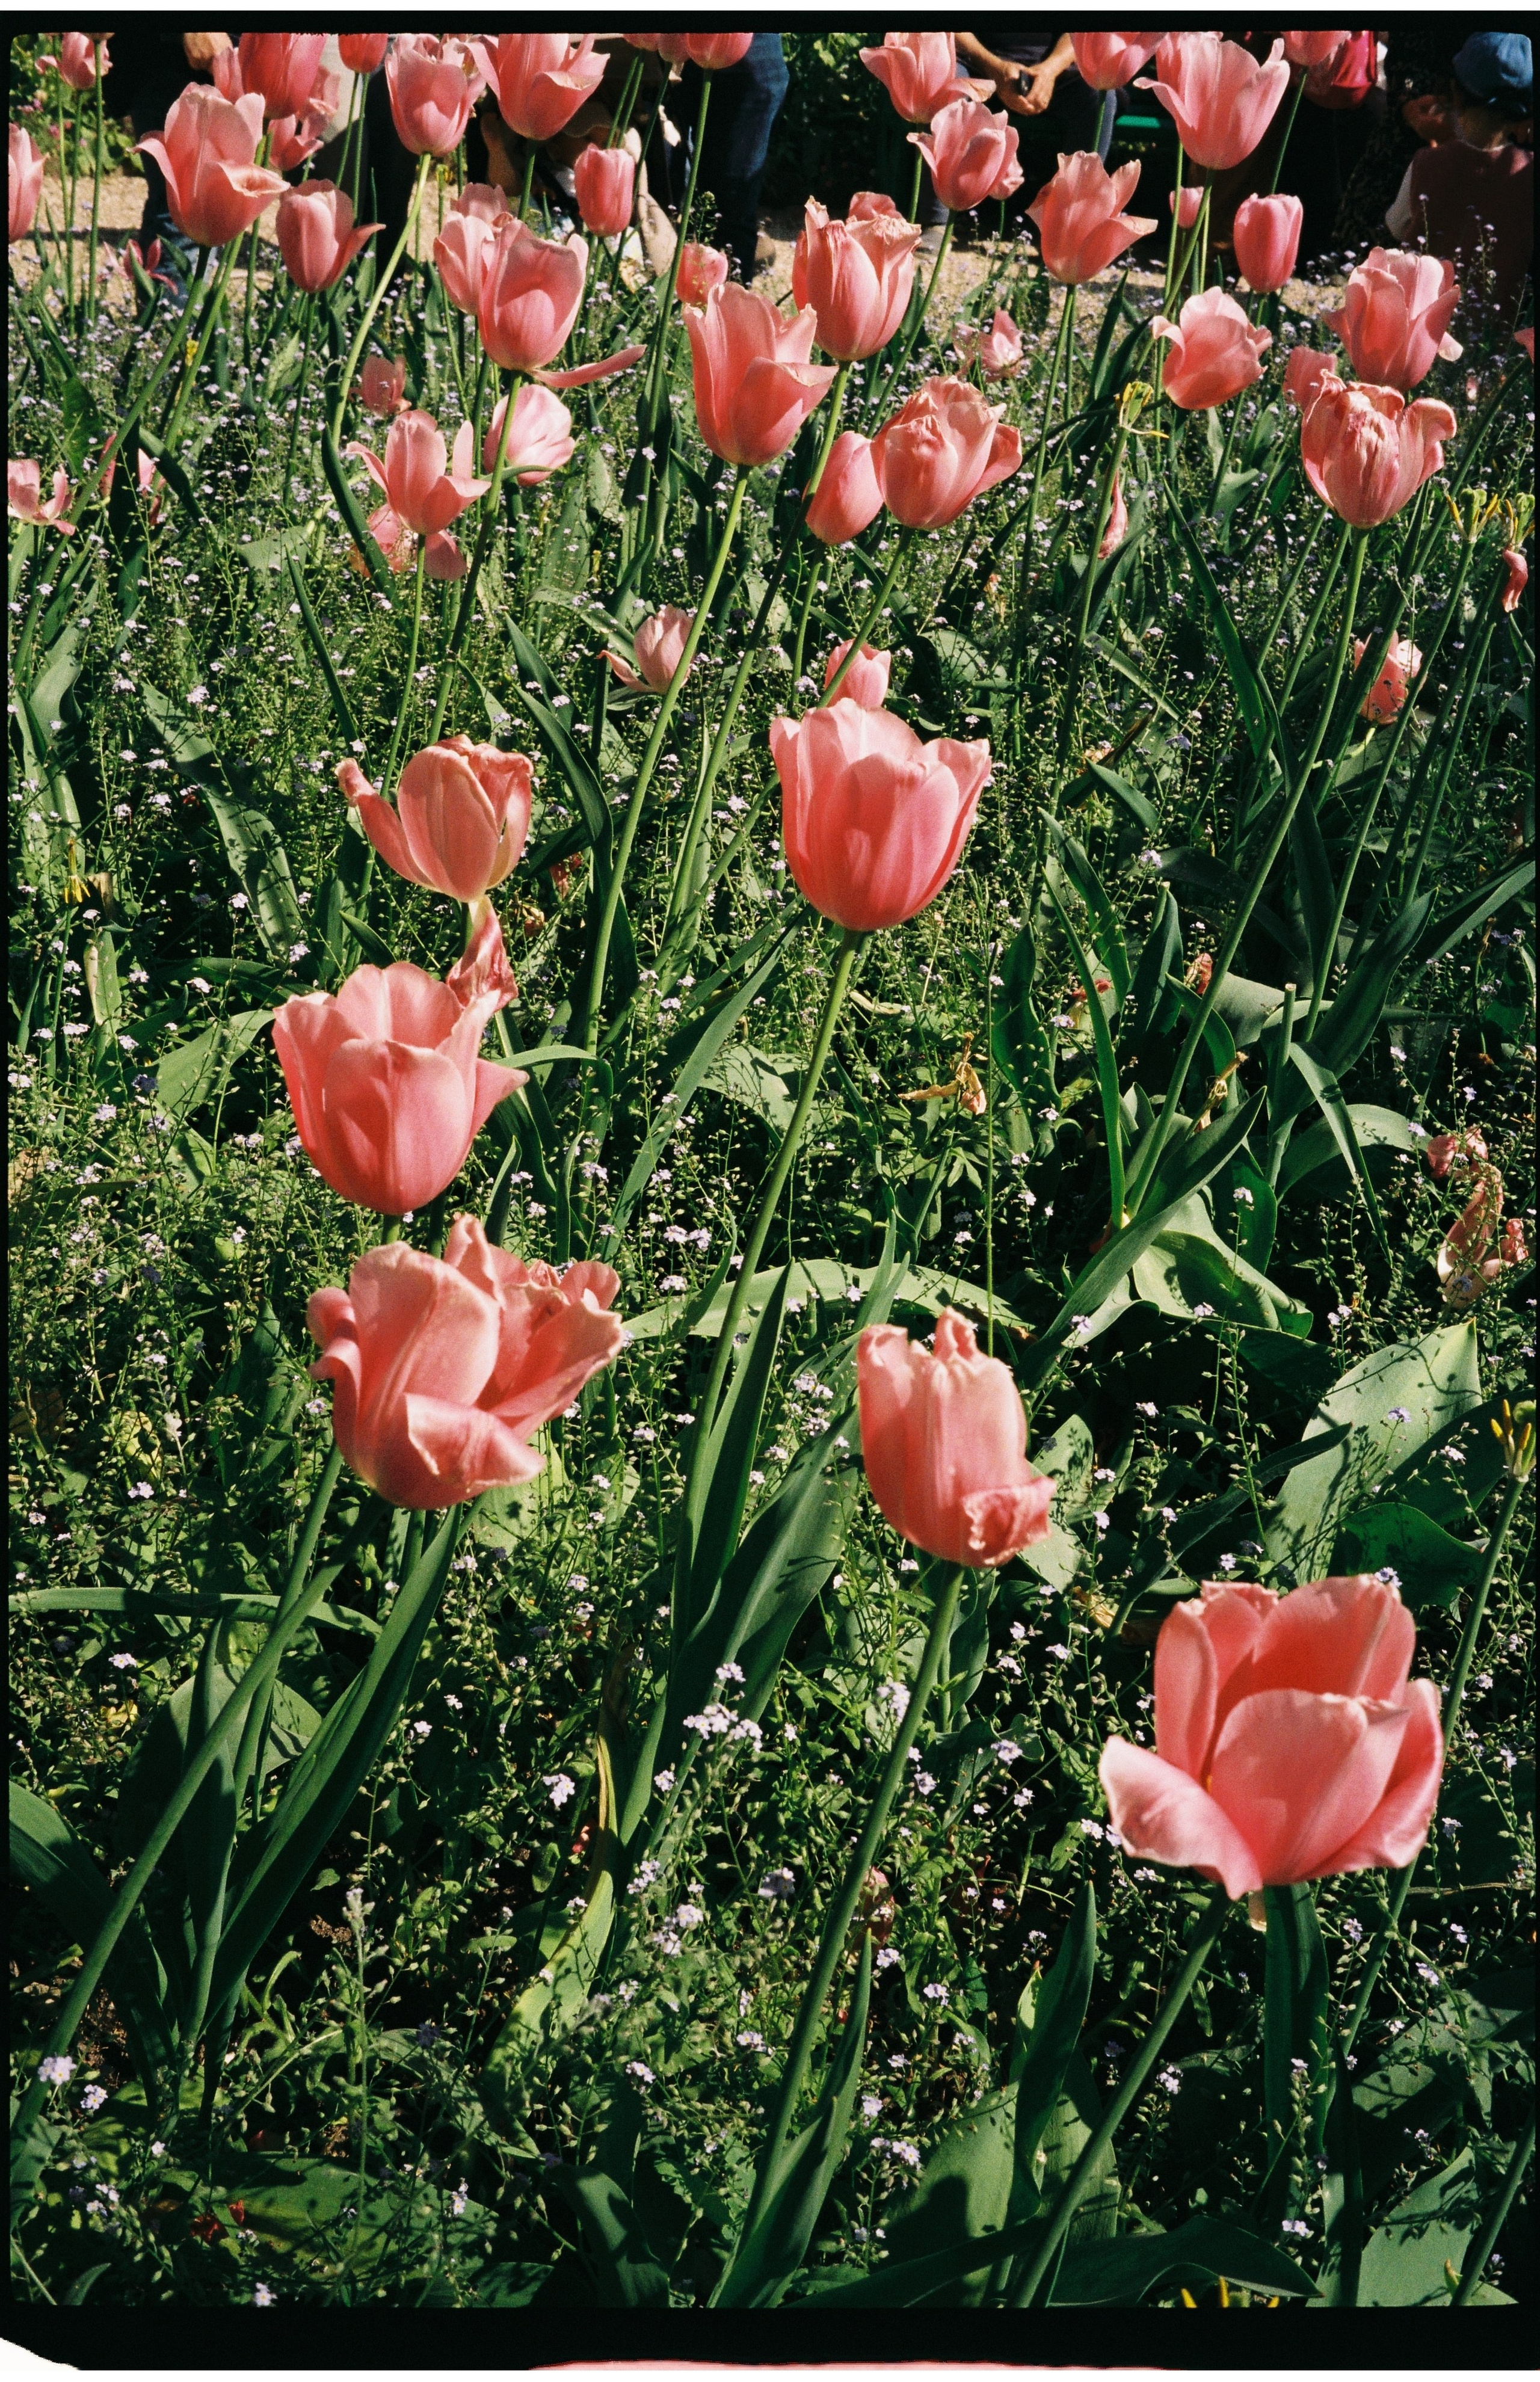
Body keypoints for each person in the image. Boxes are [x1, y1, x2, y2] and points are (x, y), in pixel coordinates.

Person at [1385, 31, 1533, 310]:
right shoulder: (1528, 173)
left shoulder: (1427, 162)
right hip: (1493, 325)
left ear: (1456, 93)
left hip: (1421, 315)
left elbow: (1396, 225)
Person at [102, 29, 233, 288]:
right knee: (186, 212)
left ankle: (168, 311)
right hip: (176, 54)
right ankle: (169, 313)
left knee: (212, 207)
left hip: (231, 49)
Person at [674, 34, 790, 281]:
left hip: (746, 67)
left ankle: (728, 298)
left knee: (730, 209)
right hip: (695, 58)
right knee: (702, 204)